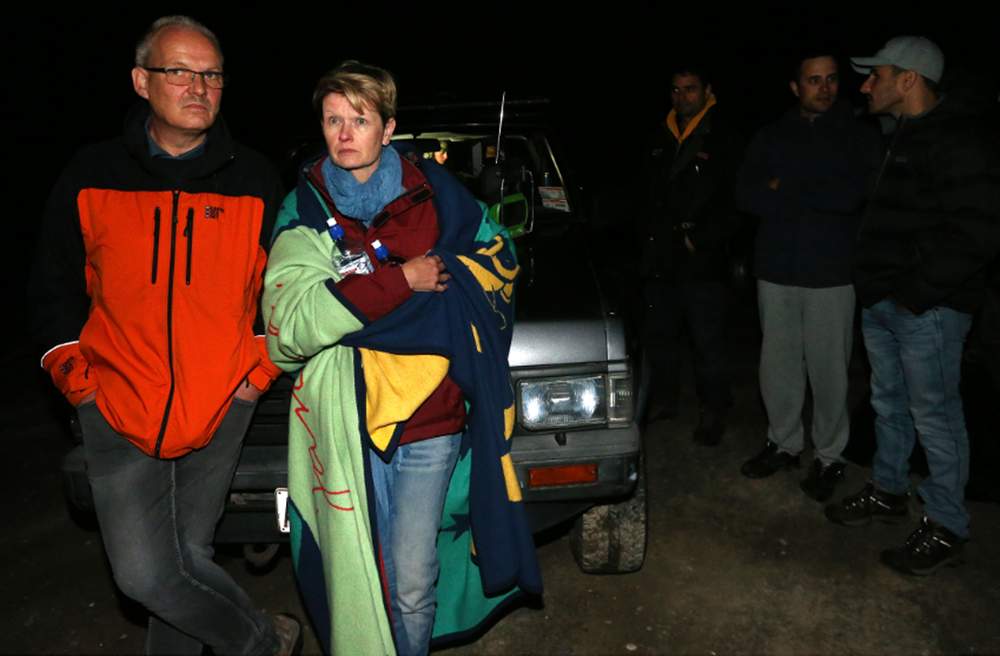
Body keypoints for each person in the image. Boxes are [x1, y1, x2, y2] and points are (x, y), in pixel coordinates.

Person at [27, 16, 300, 655]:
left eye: (212, 74)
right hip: (116, 409)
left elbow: (282, 295)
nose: (199, 87)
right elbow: (51, 288)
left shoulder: (256, 180)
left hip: (221, 404)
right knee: (147, 574)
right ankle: (260, 641)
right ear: (141, 81)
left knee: (185, 560)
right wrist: (77, 380)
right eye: (179, 71)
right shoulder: (90, 174)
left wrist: (255, 376)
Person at [263, 61, 537, 655]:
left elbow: (499, 260)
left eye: (359, 120)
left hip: (429, 424)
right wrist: (404, 284)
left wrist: (357, 310)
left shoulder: (437, 196)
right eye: (333, 119)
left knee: (411, 582)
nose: (344, 133)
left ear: (387, 128)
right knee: (365, 577)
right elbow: (288, 325)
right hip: (345, 427)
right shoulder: (302, 209)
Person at [826, 36, 1000, 575]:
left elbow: (979, 232)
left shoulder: (960, 139)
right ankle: (888, 490)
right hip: (885, 300)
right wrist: (875, 284)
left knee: (937, 417)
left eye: (875, 74)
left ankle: (947, 524)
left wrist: (916, 294)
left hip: (929, 309)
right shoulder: (899, 135)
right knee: (888, 403)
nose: (865, 84)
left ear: (909, 80)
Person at [736, 50, 880, 500]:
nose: (825, 88)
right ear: (796, 87)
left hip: (832, 272)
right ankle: (783, 443)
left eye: (832, 79)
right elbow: (746, 195)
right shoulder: (771, 135)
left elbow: (851, 196)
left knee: (830, 369)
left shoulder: (857, 136)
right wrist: (805, 186)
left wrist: (785, 185)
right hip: (776, 267)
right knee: (777, 365)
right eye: (814, 80)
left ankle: (830, 457)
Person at [640, 65, 742, 445]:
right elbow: (646, 192)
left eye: (690, 89)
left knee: (707, 339)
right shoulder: (660, 133)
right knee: (661, 334)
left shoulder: (724, 134)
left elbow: (739, 198)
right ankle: (666, 400)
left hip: (703, 259)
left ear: (707, 90)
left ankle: (714, 409)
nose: (682, 96)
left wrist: (702, 239)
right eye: (676, 90)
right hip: (660, 257)